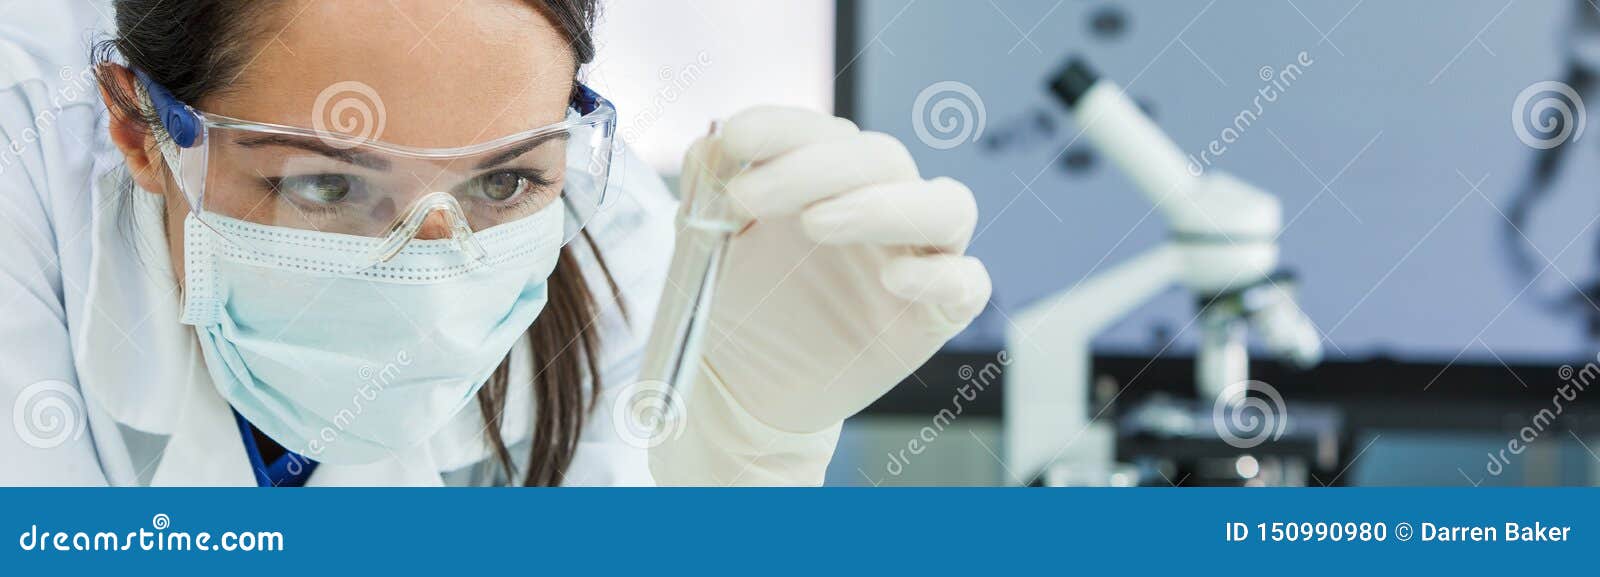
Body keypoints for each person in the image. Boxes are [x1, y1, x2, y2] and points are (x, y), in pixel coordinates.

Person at [0, 0, 989, 486]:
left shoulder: (612, 232)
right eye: (328, 182)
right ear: (139, 130)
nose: (433, 284)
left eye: (503, 178)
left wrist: (743, 470)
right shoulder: (19, 170)